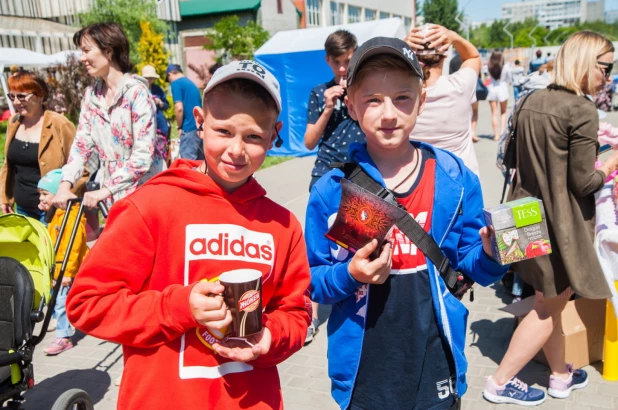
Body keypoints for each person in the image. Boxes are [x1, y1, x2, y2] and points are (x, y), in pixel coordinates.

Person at [66, 60, 312, 410]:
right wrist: (179, 306)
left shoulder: (283, 225)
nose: (237, 150)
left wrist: (270, 337)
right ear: (199, 122)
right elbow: (87, 304)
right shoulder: (149, 206)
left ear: (275, 135)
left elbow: (297, 314)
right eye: (223, 131)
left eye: (254, 136)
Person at [306, 37, 507, 410]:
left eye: (402, 98)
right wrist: (350, 274)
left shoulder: (455, 178)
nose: (388, 114)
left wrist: (493, 254)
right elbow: (314, 283)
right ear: (350, 106)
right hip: (365, 370)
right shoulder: (331, 191)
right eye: (373, 100)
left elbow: (472, 266)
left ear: (422, 100)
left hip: (436, 357)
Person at [483, 31, 618, 406]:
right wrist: (610, 164)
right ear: (585, 63)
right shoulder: (582, 110)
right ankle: (499, 382)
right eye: (605, 68)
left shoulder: (530, 99)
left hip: (522, 214)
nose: (608, 77)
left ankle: (560, 375)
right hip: (559, 226)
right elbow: (583, 181)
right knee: (547, 306)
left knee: (549, 300)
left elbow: (511, 160)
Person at [53, 22, 164, 211]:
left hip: (145, 192)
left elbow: (143, 156)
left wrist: (105, 190)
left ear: (109, 51)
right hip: (112, 197)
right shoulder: (91, 96)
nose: (82, 58)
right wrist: (65, 185)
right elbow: (81, 146)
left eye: (87, 50)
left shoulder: (137, 93)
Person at [303, 29, 363, 344]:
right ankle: (311, 317)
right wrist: (328, 107)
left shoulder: (364, 91)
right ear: (328, 61)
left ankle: (361, 306)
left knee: (361, 241)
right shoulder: (318, 93)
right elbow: (309, 140)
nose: (343, 69)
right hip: (326, 175)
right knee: (317, 250)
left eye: (348, 61)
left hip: (362, 176)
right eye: (337, 62)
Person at [0, 71, 86, 221]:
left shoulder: (59, 124)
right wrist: (5, 197)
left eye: (21, 96)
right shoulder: (14, 122)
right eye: (12, 96)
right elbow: (8, 165)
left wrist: (62, 195)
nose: (15, 102)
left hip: (53, 210)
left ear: (40, 95)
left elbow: (81, 168)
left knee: (54, 245)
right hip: (22, 209)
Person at [406, 23, 482, 175]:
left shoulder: (401, 95)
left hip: (418, 181)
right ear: (444, 54)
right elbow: (473, 56)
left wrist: (401, 45)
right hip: (462, 177)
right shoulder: (460, 85)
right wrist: (454, 37)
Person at [37, 169, 88, 355]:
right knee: (66, 300)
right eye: (40, 194)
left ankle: (64, 337)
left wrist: (67, 272)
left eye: (45, 194)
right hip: (60, 266)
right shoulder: (58, 213)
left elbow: (72, 247)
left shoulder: (71, 217)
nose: (41, 198)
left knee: (61, 302)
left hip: (69, 267)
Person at [166, 63, 203, 160]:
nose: (169, 82)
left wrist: (179, 127)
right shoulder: (191, 83)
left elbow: (179, 108)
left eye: (168, 79)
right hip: (199, 128)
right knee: (200, 163)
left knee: (188, 163)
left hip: (188, 129)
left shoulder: (176, 83)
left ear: (170, 74)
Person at [141, 65, 171, 163]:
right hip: (144, 125)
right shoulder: (139, 90)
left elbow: (166, 105)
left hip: (159, 124)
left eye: (151, 78)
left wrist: (160, 103)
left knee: (161, 151)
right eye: (147, 78)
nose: (150, 80)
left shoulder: (158, 89)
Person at [487, 50, 510, 141]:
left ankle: (496, 135)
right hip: (502, 89)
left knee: (494, 113)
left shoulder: (490, 66)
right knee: (503, 112)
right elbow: (509, 79)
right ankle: (502, 132)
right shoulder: (506, 67)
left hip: (492, 89)